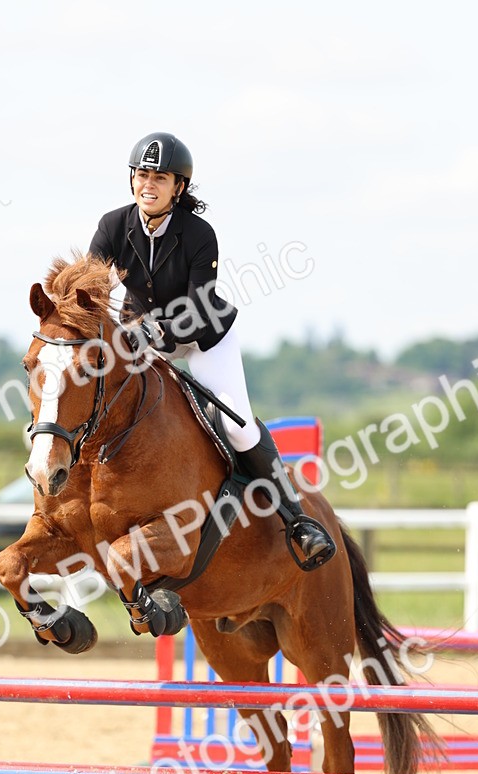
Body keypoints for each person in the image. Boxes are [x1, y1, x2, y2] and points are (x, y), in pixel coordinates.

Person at [89, 131, 335, 570]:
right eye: (142, 175)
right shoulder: (112, 226)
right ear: (131, 180)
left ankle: (298, 521)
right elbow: (92, 286)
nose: (149, 184)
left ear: (178, 187)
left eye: (160, 178)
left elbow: (200, 305)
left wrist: (153, 332)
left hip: (201, 337)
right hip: (142, 336)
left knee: (237, 427)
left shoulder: (199, 234)